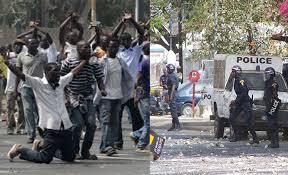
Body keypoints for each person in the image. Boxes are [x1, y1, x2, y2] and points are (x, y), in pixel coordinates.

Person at [5, 52, 88, 163]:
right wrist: (8, 64)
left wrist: (86, 60)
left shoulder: (61, 81)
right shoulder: (38, 83)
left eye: (59, 70)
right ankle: (20, 150)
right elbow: (21, 75)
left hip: (66, 127)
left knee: (70, 157)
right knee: (45, 158)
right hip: (51, 128)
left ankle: (41, 145)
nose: (58, 73)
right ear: (46, 72)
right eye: (55, 71)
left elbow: (74, 72)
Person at [61, 40, 107, 160]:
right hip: (73, 96)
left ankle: (85, 151)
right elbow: (61, 79)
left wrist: (102, 89)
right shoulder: (69, 62)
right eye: (85, 48)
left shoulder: (93, 63)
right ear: (78, 49)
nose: (88, 50)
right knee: (77, 124)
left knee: (91, 124)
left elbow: (99, 78)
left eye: (89, 48)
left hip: (87, 97)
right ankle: (75, 151)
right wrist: (65, 97)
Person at [94, 38, 133, 156]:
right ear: (107, 48)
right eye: (111, 47)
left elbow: (128, 78)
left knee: (115, 122)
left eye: (116, 47)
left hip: (118, 96)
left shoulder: (120, 61)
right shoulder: (102, 62)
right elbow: (97, 77)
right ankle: (107, 146)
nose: (113, 49)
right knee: (105, 122)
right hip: (106, 96)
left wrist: (130, 92)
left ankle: (106, 145)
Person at [114, 12, 145, 149]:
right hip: (120, 89)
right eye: (123, 41)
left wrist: (131, 20)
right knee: (117, 117)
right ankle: (118, 142)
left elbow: (141, 33)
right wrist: (122, 23)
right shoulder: (118, 52)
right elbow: (113, 37)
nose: (125, 42)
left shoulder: (136, 50)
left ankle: (137, 140)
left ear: (130, 40)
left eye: (127, 40)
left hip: (134, 89)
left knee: (136, 116)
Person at [16, 36, 48, 143]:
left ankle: (41, 129)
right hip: (25, 87)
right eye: (31, 44)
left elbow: (47, 71)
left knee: (40, 110)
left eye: (36, 44)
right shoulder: (21, 56)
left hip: (39, 87)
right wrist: (17, 87)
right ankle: (31, 134)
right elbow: (18, 72)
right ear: (27, 45)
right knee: (28, 110)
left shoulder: (43, 56)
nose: (34, 46)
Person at [229, 65, 259, 145]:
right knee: (232, 118)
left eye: (233, 72)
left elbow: (244, 92)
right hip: (240, 103)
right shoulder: (236, 80)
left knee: (248, 121)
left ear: (237, 72)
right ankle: (237, 135)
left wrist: (236, 101)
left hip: (245, 102)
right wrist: (236, 101)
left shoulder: (241, 80)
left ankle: (255, 138)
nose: (232, 73)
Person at [130, 43, 150, 151]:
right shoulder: (145, 63)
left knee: (148, 122)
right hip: (145, 95)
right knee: (148, 122)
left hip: (145, 95)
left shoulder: (143, 62)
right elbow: (137, 81)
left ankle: (136, 134)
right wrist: (136, 95)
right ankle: (141, 143)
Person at [5, 39, 25, 135]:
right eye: (16, 45)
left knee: (21, 109)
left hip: (21, 87)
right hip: (10, 87)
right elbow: (5, 58)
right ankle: (10, 128)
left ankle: (20, 128)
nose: (18, 47)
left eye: (20, 45)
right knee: (10, 108)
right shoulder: (10, 56)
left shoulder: (24, 56)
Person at [263, 67, 281, 148]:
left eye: (267, 74)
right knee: (270, 124)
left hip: (273, 104)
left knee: (272, 124)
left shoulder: (273, 83)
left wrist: (271, 105)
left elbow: (274, 94)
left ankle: (275, 142)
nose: (266, 75)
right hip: (269, 104)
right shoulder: (267, 82)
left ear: (271, 74)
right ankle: (273, 141)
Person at [166, 64, 181, 131]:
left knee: (173, 110)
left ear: (170, 69)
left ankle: (178, 125)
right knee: (173, 110)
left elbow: (173, 86)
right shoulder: (174, 75)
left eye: (168, 69)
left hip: (172, 93)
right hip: (173, 92)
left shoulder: (171, 75)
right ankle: (173, 125)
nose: (167, 70)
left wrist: (171, 96)